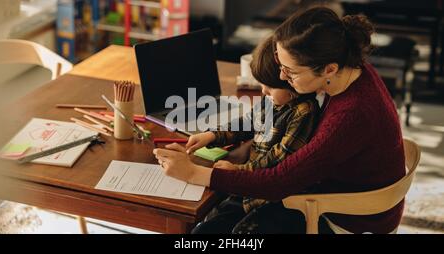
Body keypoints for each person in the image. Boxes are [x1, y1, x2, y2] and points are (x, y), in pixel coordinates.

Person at [154, 7, 406, 234]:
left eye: (291, 72)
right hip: (333, 186)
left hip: (349, 217)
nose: (282, 77)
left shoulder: (351, 114)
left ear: (329, 69)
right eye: (280, 63)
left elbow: (278, 182)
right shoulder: (349, 68)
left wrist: (193, 172)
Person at [184, 36, 320, 233]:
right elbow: (248, 122)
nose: (263, 91)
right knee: (202, 230)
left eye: (270, 86)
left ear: (291, 84)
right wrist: (213, 135)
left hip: (271, 198)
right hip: (248, 189)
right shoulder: (272, 101)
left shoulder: (304, 112)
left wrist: (238, 170)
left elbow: (279, 159)